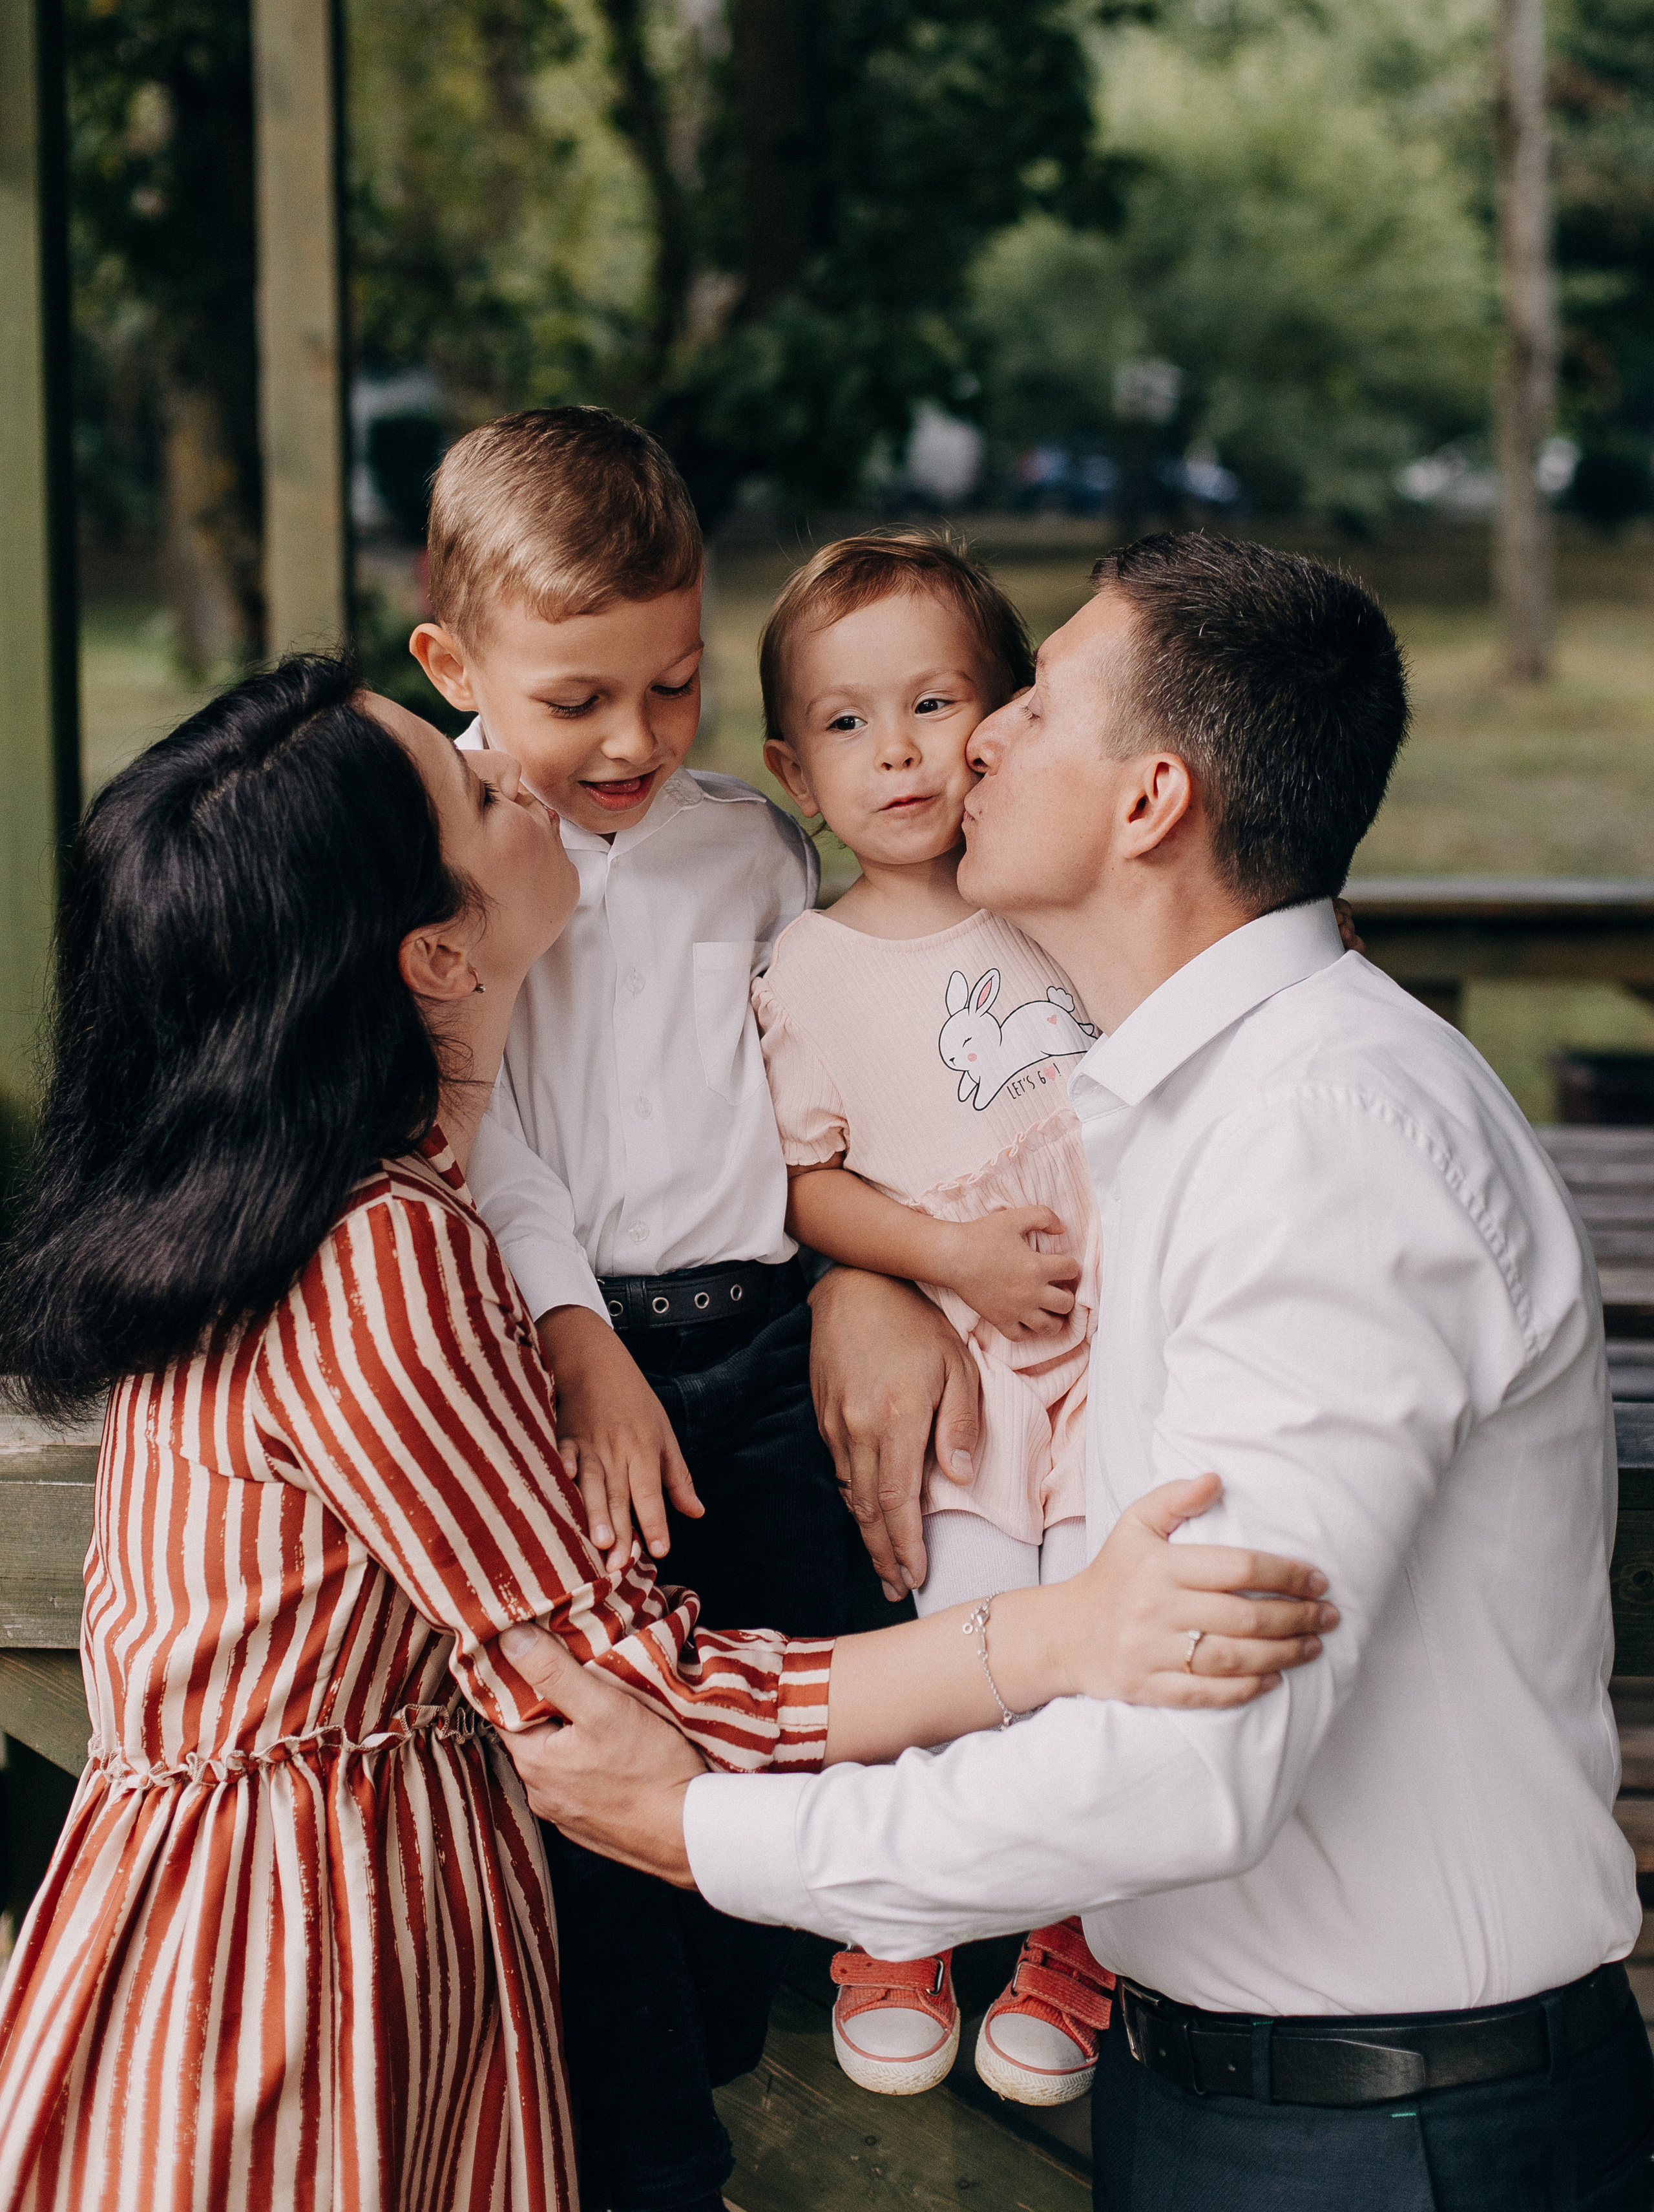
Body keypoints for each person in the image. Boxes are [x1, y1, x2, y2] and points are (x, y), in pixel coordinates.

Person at [0, 655, 1330, 2212]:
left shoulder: (309, 1195)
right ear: (436, 951)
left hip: (266, 1923)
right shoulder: (376, 1249)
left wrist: (865, 1268)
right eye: (475, 784)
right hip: (297, 1978)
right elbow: (630, 1683)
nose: (524, 777)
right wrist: (1059, 1634)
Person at [503, 534, 1654, 2211]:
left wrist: (711, 1832)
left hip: (1392, 2132)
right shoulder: (1183, 1106)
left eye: (1033, 705)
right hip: (1227, 2086)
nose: (976, 740)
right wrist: (864, 1276)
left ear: (1148, 805)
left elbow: (1191, 1764)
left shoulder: (1325, 1142)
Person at [404, 403, 862, 2209]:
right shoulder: (427, 847)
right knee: (608, 1761)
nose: (633, 740)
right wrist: (579, 1335)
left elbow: (819, 1073)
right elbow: (478, 1118)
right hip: (553, 1357)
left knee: (801, 1674)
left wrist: (861, 1285)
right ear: (454, 660)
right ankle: (657, 2165)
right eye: (579, 697)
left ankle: (763, 2035)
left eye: (671, 686)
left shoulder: (747, 847)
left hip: (762, 1332)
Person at [752, 532, 1111, 2104]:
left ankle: (1074, 1925)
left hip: (1110, 1347)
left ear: (1002, 713)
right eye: (843, 722)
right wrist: (941, 1257)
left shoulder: (1058, 900)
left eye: (929, 702)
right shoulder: (804, 966)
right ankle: (897, 1917)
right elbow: (804, 1184)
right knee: (956, 1628)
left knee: (1103, 1633)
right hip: (967, 1362)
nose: (893, 750)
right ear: (788, 763)